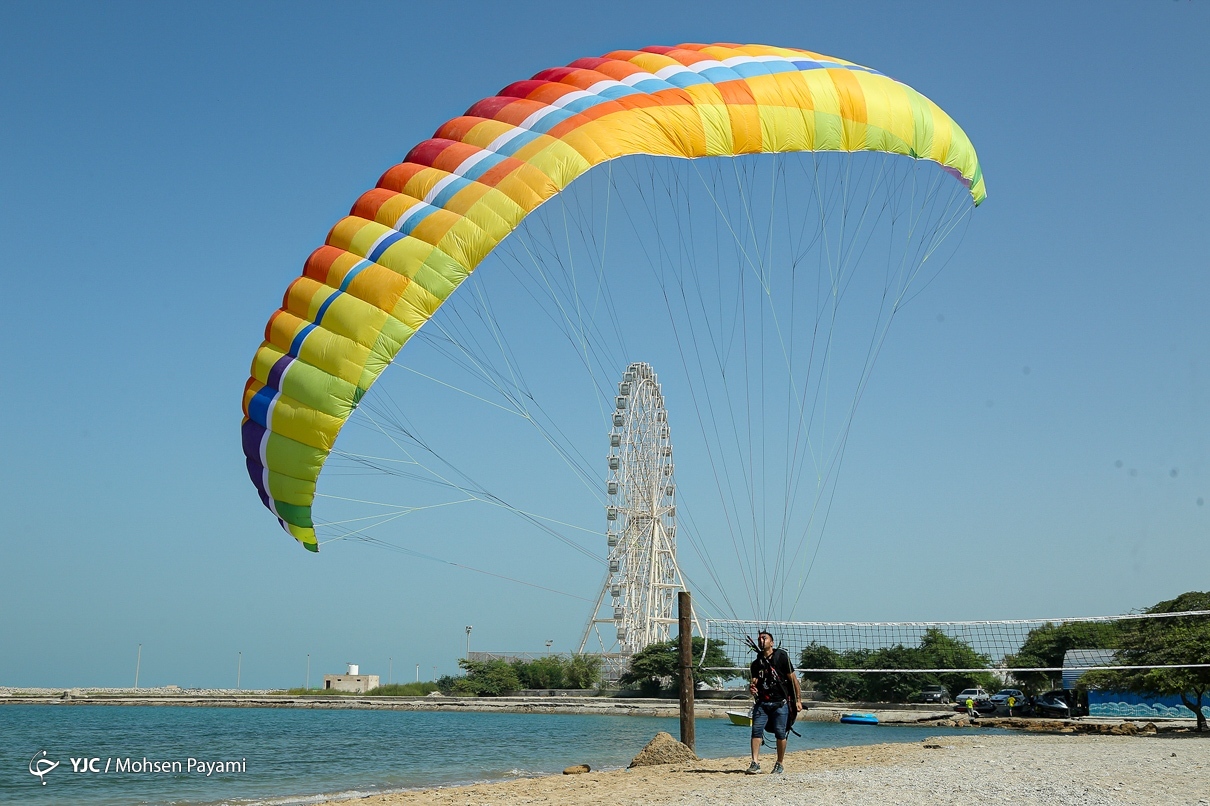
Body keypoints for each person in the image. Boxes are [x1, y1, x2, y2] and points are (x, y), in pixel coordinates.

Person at [746, 630, 802, 775]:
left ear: (772, 642)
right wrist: (752, 689)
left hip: (780, 703)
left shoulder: (781, 656)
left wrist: (798, 700)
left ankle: (779, 763)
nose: (761, 640)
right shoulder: (756, 664)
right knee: (756, 731)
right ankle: (755, 762)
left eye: (764, 638)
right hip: (762, 704)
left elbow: (794, 680)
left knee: (780, 733)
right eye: (759, 639)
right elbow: (754, 683)